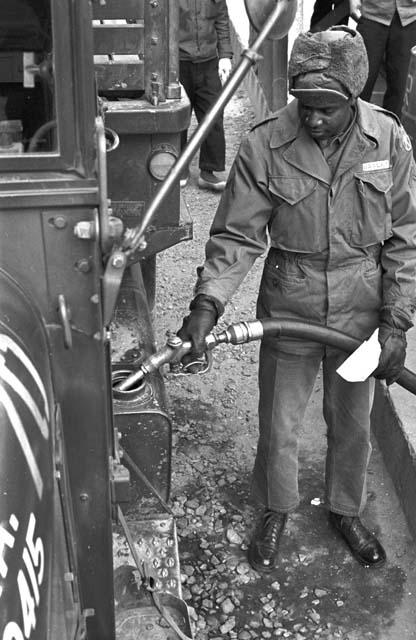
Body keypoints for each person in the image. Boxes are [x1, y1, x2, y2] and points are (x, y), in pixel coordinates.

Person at [177, 26, 416, 573]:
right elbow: (237, 236)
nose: (311, 119)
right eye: (304, 106)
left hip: (361, 303)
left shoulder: (388, 140)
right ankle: (276, 507)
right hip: (291, 301)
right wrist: (206, 305)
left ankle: (344, 510)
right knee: (279, 423)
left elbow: (406, 235)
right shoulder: (265, 143)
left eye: (326, 109)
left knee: (352, 421)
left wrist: (397, 321)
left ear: (353, 98)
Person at [179, 0, 233, 191]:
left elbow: (221, 19)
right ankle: (179, 168)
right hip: (176, 61)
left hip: (209, 61)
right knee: (178, 116)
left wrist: (225, 55)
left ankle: (209, 171)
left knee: (213, 114)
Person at [350, 0, 416, 117]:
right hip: (372, 14)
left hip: (409, 17)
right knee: (361, 83)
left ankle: (393, 130)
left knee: (400, 88)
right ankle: (353, 130)